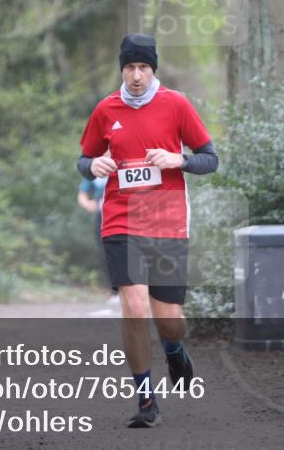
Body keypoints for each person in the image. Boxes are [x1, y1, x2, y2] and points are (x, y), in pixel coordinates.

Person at [77, 33, 218, 428]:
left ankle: (174, 349)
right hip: (121, 220)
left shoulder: (176, 104)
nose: (136, 75)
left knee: (169, 319)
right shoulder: (106, 109)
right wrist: (93, 167)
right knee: (134, 308)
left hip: (168, 222)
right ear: (121, 69)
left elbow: (211, 159)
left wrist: (178, 159)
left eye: (143, 67)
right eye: (130, 67)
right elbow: (84, 158)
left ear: (153, 69)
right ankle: (145, 398)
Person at [77, 150, 114, 296]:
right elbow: (82, 194)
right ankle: (115, 292)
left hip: (127, 212)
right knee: (105, 252)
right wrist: (87, 204)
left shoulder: (123, 162)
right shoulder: (95, 166)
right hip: (103, 214)